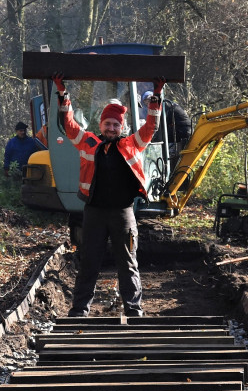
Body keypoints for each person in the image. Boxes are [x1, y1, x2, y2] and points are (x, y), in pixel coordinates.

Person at [54, 74, 163, 317]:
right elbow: (69, 124)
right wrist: (63, 94)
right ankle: (79, 310)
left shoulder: (131, 144)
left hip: (123, 213)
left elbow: (150, 127)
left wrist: (156, 97)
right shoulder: (89, 142)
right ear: (101, 125)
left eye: (116, 125)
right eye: (108, 124)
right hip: (94, 212)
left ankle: (134, 310)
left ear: (121, 127)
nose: (111, 128)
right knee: (89, 262)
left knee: (128, 263)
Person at [143, 91, 192, 162]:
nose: (148, 105)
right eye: (146, 103)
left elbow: (161, 125)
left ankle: (165, 162)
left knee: (159, 138)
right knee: (158, 138)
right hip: (178, 130)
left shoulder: (165, 106)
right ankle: (165, 160)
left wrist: (150, 139)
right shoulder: (164, 105)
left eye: (149, 102)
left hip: (183, 130)